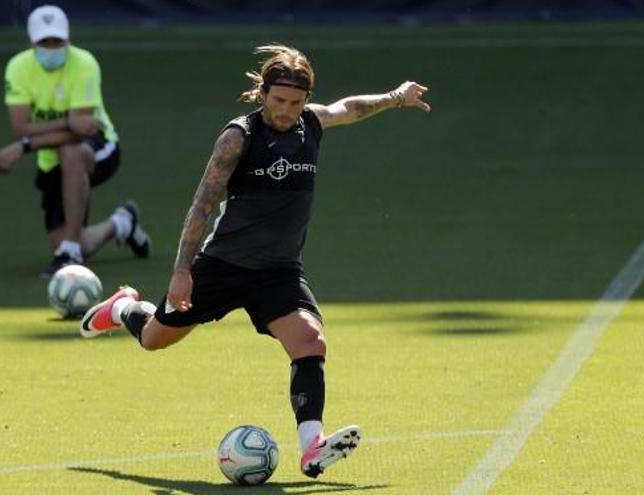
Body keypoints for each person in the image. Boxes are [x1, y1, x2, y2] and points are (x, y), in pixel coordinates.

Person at [80, 45, 430, 478]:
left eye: (296, 103)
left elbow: (349, 108)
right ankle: (122, 307)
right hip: (223, 266)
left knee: (310, 342)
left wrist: (396, 96)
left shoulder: (310, 124)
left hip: (277, 271)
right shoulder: (237, 138)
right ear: (262, 93)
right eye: (279, 100)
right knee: (154, 339)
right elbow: (202, 206)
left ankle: (312, 448)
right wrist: (182, 271)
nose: (286, 111)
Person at [0, 5, 150, 277]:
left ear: (68, 39)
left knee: (71, 150)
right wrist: (65, 122)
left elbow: (83, 131)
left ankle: (69, 253)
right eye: (44, 42)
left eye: (57, 41)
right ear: (31, 41)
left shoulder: (84, 64)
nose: (51, 47)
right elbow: (20, 126)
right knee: (78, 241)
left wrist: (26, 146)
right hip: (50, 158)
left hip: (99, 147)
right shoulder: (18, 68)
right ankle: (121, 224)